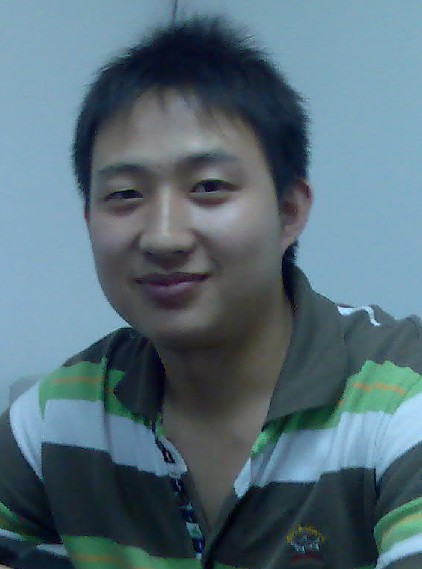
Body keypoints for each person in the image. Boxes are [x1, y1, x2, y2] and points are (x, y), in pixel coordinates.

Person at [1, 15, 422, 569]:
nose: (164, 237)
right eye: (125, 195)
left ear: (288, 212)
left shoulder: (398, 396)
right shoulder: (62, 413)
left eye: (208, 187)